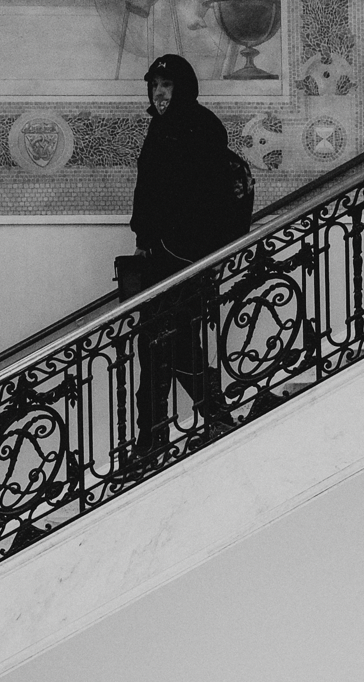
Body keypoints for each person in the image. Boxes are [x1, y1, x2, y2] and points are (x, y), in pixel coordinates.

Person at [129, 53, 236, 461]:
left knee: (178, 344)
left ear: (183, 88)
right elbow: (148, 189)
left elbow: (206, 197)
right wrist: (144, 238)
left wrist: (184, 246)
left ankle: (208, 418)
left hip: (187, 260)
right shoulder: (160, 128)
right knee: (153, 346)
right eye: (154, 86)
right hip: (159, 257)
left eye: (167, 86)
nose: (159, 93)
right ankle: (153, 437)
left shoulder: (202, 127)